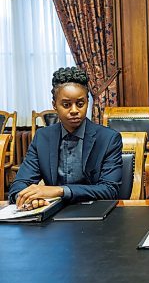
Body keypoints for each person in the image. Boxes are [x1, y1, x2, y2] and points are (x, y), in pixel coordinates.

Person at [9, 67, 123, 209]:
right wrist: (28, 198)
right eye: (66, 105)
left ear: (88, 102)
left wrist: (60, 190)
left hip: (95, 213)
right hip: (53, 214)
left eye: (80, 104)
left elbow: (109, 190)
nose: (74, 110)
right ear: (54, 106)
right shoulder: (42, 138)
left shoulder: (109, 139)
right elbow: (19, 185)